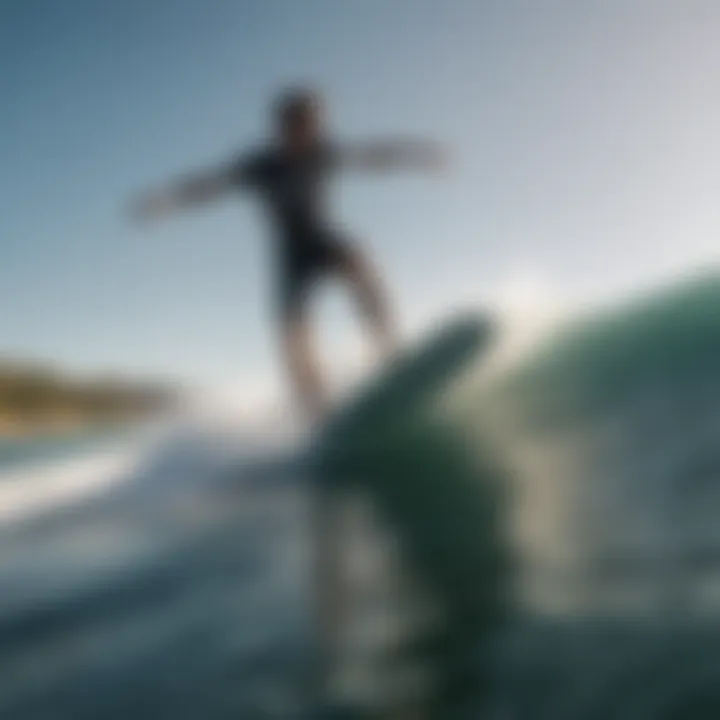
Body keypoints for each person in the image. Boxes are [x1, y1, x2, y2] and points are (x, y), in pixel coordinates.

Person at [132, 87, 443, 422]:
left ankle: (390, 355)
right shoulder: (260, 166)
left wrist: (418, 155)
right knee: (292, 337)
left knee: (359, 262)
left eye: (315, 125)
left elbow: (373, 156)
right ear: (283, 127)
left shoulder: (322, 153)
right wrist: (166, 200)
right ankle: (320, 415)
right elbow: (211, 185)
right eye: (302, 125)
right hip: (290, 257)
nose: (310, 133)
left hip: (321, 240)